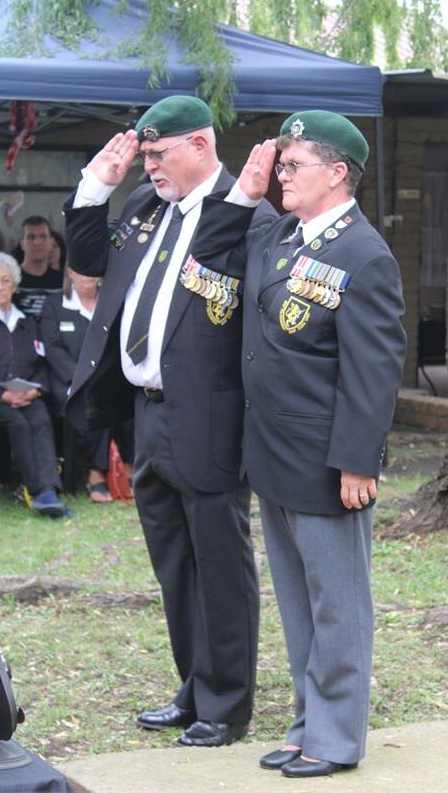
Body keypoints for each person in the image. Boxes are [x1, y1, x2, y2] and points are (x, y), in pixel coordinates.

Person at [191, 111, 407, 777]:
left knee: (337, 605)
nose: (282, 175)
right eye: (280, 166)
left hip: (325, 461)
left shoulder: (362, 252)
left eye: (292, 166)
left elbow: (374, 369)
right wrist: (246, 190)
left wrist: (355, 461)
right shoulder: (281, 234)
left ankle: (337, 738)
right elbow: (209, 261)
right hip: (274, 454)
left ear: (337, 174)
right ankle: (308, 722)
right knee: (297, 604)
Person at [63, 95, 276, 747]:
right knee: (175, 566)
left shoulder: (247, 215)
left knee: (219, 564)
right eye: (145, 154)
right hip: (146, 415)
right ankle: (194, 688)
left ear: (201, 147)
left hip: (209, 417)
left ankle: (228, 703)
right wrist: (96, 184)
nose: (149, 165)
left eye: (160, 154)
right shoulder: (147, 208)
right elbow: (91, 259)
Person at [40, 267, 134, 503]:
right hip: (70, 379)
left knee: (129, 402)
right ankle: (97, 472)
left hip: (110, 375)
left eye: (91, 272)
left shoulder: (112, 300)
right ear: (70, 273)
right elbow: (53, 348)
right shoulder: (55, 304)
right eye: (80, 272)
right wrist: (80, 377)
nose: (86, 277)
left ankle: (130, 468)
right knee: (94, 400)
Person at [0, 251, 67, 518]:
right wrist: (1, 395)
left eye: (5, 281)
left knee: (40, 419)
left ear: (14, 286)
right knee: (18, 423)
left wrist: (36, 389)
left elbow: (41, 363)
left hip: (27, 394)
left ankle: (49, 490)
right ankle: (34, 489)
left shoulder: (27, 322)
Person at [14, 216, 63, 317]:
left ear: (51, 242)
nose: (37, 242)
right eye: (31, 237)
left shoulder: (63, 282)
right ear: (22, 244)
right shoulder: (9, 280)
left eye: (43, 236)